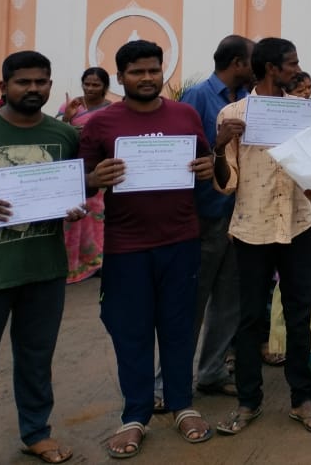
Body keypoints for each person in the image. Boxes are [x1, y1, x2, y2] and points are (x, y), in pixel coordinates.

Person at [80, 40, 219, 457]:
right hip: (127, 247)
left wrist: (208, 166)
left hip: (181, 241)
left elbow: (206, 162)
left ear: (163, 71)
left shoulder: (185, 114)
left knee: (178, 328)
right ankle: (135, 415)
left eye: (153, 70)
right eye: (137, 72)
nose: (147, 78)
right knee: (132, 331)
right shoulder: (101, 123)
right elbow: (78, 180)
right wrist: (93, 179)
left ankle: (182, 405)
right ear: (120, 77)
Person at [0, 51, 85, 465]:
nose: (34, 89)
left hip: (44, 269)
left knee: (36, 359)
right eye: (23, 82)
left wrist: (73, 206)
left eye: (41, 82)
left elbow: (70, 189)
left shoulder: (63, 135)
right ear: (4, 87)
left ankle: (36, 433)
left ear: (50, 84)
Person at [212, 38, 311, 436]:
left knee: (299, 315)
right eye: (291, 64)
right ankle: (248, 401)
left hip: (297, 225)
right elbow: (227, 184)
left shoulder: (302, 112)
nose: (297, 70)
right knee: (250, 318)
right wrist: (220, 146)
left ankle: (302, 398)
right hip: (252, 229)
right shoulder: (232, 115)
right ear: (270, 68)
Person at [176, 35, 254, 398]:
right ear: (238, 63)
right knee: (193, 302)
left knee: (230, 300)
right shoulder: (197, 98)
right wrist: (216, 144)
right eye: (253, 60)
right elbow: (181, 155)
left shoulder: (249, 100)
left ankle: (211, 371)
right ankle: (171, 380)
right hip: (206, 215)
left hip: (242, 215)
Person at [60, 66, 112, 284]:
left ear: (105, 87)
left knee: (95, 218)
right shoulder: (71, 105)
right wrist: (67, 118)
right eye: (87, 84)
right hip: (72, 169)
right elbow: (57, 133)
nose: (90, 88)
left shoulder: (110, 110)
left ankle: (95, 262)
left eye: (96, 85)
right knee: (73, 219)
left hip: (97, 170)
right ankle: (70, 264)